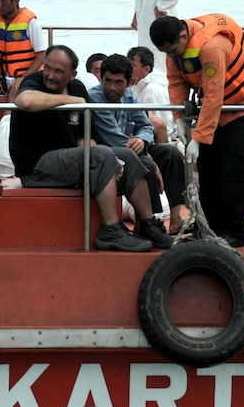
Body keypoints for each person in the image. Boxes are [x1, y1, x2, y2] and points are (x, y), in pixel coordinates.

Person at [9, 45, 174, 252]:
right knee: (102, 154)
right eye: (48, 68)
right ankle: (111, 230)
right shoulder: (35, 81)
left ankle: (148, 224)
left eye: (59, 71)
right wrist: (71, 102)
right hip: (36, 166)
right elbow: (24, 101)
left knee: (127, 155)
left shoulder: (77, 88)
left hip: (68, 160)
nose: (50, 75)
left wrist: (112, 161)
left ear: (73, 74)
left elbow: (85, 136)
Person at [150, 14, 244, 247]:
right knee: (208, 172)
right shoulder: (174, 49)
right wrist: (180, 120)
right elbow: (176, 82)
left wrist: (198, 138)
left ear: (183, 36)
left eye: (174, 49)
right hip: (213, 114)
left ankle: (234, 232)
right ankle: (208, 227)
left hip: (243, 111)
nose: (173, 55)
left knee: (233, 173)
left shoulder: (212, 46)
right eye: (168, 52)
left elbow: (214, 95)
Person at [88, 53, 185, 233]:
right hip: (109, 155)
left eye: (119, 82)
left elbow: (145, 125)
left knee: (169, 153)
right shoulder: (95, 97)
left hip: (131, 148)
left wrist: (142, 139)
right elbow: (114, 137)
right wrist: (148, 156)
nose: (112, 87)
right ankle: (148, 222)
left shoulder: (130, 96)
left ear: (128, 82)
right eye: (107, 81)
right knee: (147, 163)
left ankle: (176, 218)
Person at [127, 46, 175, 143]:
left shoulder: (154, 89)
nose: (127, 70)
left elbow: (165, 126)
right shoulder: (133, 86)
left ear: (146, 69)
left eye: (132, 66)